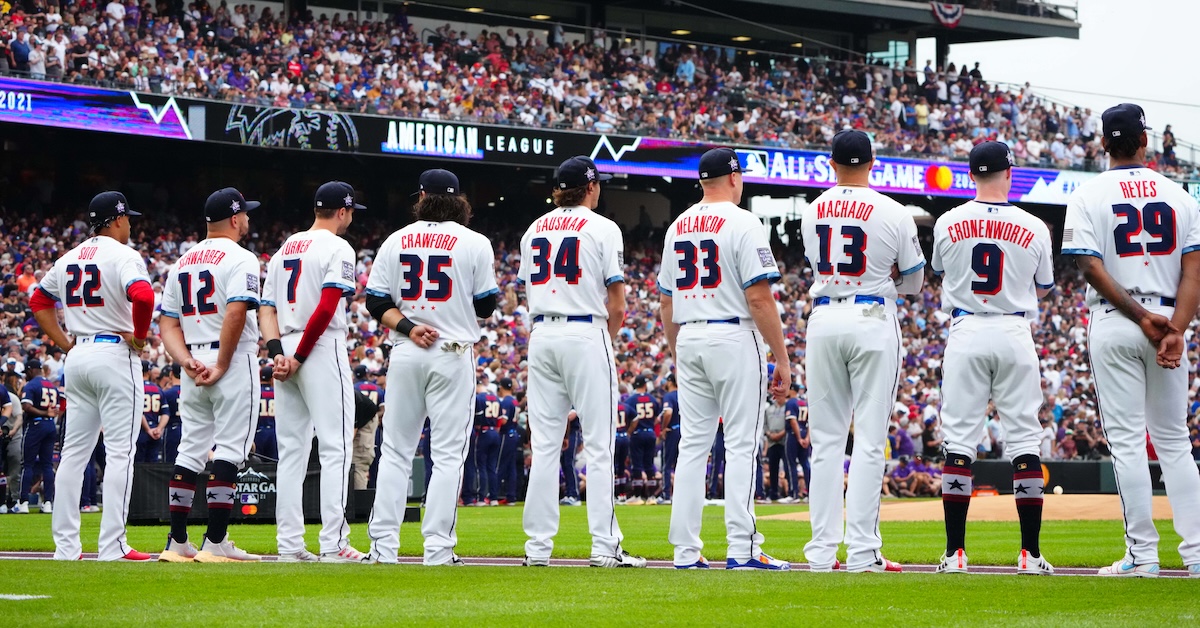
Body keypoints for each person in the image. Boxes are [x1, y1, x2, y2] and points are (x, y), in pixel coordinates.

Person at [1061, 103, 1200, 578]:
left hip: (1119, 317)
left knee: (1126, 444)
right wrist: (1175, 329)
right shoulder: (1180, 195)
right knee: (1174, 443)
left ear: (1104, 144)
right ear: (1145, 140)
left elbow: (1089, 266)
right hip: (1167, 313)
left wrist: (1140, 317)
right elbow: (1194, 271)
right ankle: (1198, 555)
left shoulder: (1088, 193)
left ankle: (1142, 557)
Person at [801, 130, 926, 574]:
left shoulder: (813, 210)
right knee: (871, 442)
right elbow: (914, 280)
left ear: (831, 163)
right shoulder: (893, 211)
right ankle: (862, 552)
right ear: (873, 161)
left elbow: (816, 264)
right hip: (872, 315)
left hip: (823, 318)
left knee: (826, 443)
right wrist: (886, 279)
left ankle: (820, 552)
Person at [660, 147, 790, 570]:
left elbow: (665, 301)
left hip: (690, 334)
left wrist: (678, 351)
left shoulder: (678, 224)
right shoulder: (743, 221)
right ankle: (743, 548)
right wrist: (783, 358)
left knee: (693, 447)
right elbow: (758, 296)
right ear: (734, 178)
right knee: (739, 445)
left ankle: (684, 551)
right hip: (733, 334)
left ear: (702, 182)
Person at [931, 140, 1056, 575]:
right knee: (1024, 439)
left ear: (970, 175)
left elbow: (941, 271)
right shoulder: (1035, 225)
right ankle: (1030, 555)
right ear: (1009, 173)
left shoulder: (947, 221)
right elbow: (1044, 286)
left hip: (966, 329)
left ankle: (955, 554)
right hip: (1013, 328)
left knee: (959, 440)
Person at [365, 169, 498, 566]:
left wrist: (410, 324)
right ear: (460, 201)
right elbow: (487, 306)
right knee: (447, 455)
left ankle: (382, 548)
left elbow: (375, 302)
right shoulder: (475, 242)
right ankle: (438, 549)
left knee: (394, 453)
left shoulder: (395, 240)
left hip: (406, 349)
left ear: (421, 196)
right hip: (452, 352)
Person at [520, 155, 645, 568]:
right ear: (590, 187)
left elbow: (526, 291)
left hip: (542, 333)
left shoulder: (534, 227)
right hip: (585, 330)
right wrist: (603, 341)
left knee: (543, 446)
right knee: (599, 443)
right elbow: (618, 303)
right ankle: (605, 548)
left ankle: (537, 550)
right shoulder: (602, 227)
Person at [32, 191, 154, 561]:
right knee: (120, 454)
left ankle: (66, 548)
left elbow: (39, 301)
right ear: (116, 220)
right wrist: (141, 337)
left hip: (79, 354)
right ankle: (112, 545)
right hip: (115, 353)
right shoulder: (124, 255)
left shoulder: (68, 257)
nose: (130, 224)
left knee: (72, 454)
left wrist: (65, 343)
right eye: (127, 218)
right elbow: (144, 297)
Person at [157, 187, 263, 563]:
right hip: (229, 360)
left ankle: (176, 542)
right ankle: (216, 541)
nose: (248, 219)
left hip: (193, 361)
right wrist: (220, 364)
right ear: (235, 218)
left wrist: (185, 360)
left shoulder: (183, 260)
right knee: (231, 451)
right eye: (245, 214)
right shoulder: (242, 257)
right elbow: (236, 312)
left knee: (190, 448)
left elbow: (167, 323)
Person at [262, 181, 365, 563]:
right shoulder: (339, 246)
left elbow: (267, 308)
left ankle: (289, 545)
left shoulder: (285, 247)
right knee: (336, 446)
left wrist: (278, 354)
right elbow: (325, 308)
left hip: (285, 345)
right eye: (351, 212)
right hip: (317, 347)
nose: (351, 218)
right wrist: (301, 356)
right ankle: (334, 543)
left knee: (292, 452)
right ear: (342, 211)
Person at [17, 360, 57, 513]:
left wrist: (43, 413)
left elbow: (26, 406)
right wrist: (48, 414)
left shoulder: (32, 385)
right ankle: (47, 502)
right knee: (47, 465)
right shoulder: (51, 385)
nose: (25, 375)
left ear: (31, 370)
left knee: (27, 464)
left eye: (27, 371)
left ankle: (23, 503)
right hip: (50, 426)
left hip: (36, 425)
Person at [624, 375, 660, 505]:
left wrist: (629, 431)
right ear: (645, 385)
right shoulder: (652, 399)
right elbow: (657, 417)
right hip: (650, 433)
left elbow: (628, 417)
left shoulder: (631, 400)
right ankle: (651, 497)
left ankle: (637, 495)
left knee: (637, 465)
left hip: (637, 433)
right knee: (649, 465)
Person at [352, 364, 383, 490]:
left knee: (358, 465)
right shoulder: (377, 389)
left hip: (360, 425)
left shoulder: (354, 388)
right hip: (372, 427)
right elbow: (383, 410)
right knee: (369, 464)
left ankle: (360, 505)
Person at [475, 380, 502, 506]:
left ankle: (481, 498)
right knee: (492, 467)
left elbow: (478, 419)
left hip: (484, 432)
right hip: (495, 433)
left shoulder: (479, 398)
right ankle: (494, 497)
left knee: (482, 466)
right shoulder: (496, 398)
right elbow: (500, 420)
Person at [135, 361, 168, 464]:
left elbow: (138, 412)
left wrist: (148, 429)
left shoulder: (136, 389)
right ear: (148, 372)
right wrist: (159, 428)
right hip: (155, 432)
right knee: (153, 467)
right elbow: (165, 413)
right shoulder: (157, 389)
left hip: (140, 431)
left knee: (138, 466)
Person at [496, 378, 522, 504]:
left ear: (501, 387)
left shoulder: (506, 401)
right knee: (511, 467)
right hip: (514, 433)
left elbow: (504, 421)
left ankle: (493, 495)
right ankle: (511, 496)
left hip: (506, 434)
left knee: (500, 464)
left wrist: (495, 426)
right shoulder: (515, 401)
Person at [783, 384, 809, 502]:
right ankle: (809, 493)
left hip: (794, 435)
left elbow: (793, 421)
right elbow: (811, 421)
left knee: (791, 464)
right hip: (805, 433)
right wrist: (807, 437)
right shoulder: (804, 402)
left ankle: (794, 494)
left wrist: (798, 437)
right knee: (805, 464)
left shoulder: (791, 403)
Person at [658, 374, 681, 504]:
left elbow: (668, 412)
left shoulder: (669, 396)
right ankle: (681, 495)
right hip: (684, 430)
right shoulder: (684, 394)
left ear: (671, 382)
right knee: (681, 464)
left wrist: (663, 428)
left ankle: (666, 494)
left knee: (667, 464)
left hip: (673, 430)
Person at [160, 365, 182, 465]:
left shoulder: (167, 393)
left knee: (169, 463)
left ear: (171, 373)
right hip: (188, 428)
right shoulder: (190, 392)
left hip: (172, 429)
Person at [254, 366, 278, 461]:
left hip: (257, 433)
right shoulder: (277, 393)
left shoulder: (255, 393)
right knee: (275, 465)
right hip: (274, 434)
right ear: (272, 378)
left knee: (255, 464)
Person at [559, 410, 582, 506]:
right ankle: (569, 493)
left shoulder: (574, 403)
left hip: (572, 432)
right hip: (562, 432)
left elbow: (569, 416)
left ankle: (574, 494)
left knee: (569, 463)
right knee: (564, 463)